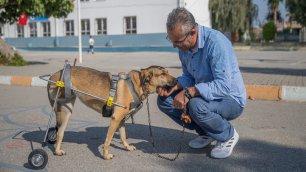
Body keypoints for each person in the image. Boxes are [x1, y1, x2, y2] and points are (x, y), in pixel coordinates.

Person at [157, 8, 246, 159]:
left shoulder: (216, 44)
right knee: (165, 101)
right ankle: (207, 132)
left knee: (195, 105)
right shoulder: (184, 46)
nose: (174, 46)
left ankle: (227, 135)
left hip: (230, 99)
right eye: (171, 40)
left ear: (192, 32)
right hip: (204, 96)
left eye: (177, 41)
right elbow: (189, 76)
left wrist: (188, 92)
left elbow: (223, 86)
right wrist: (175, 86)